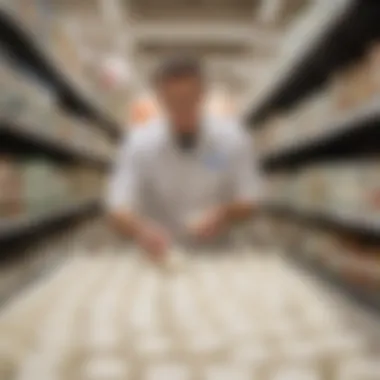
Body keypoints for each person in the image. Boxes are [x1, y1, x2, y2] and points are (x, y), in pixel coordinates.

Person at [106, 56, 262, 260]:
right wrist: (139, 230)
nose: (182, 108)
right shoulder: (139, 143)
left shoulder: (231, 139)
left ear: (202, 95)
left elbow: (250, 198)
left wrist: (225, 214)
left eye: (189, 98)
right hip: (160, 257)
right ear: (160, 98)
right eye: (173, 101)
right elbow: (118, 206)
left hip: (218, 257)